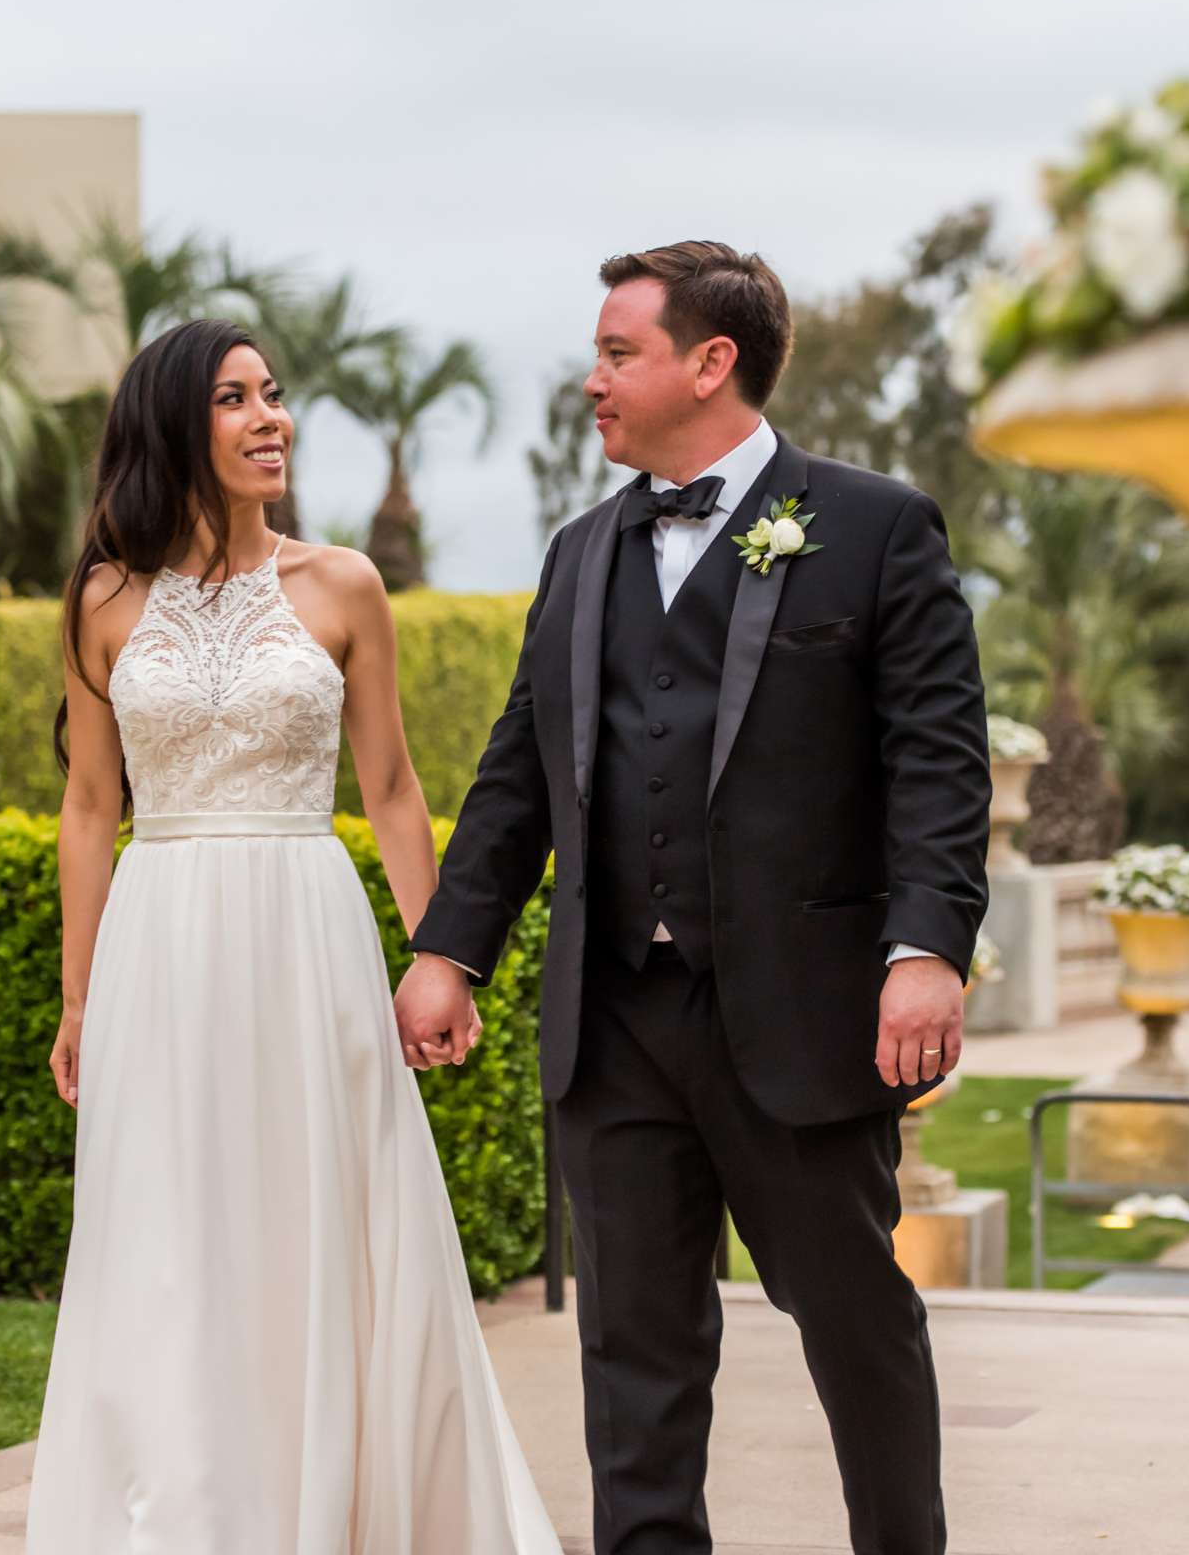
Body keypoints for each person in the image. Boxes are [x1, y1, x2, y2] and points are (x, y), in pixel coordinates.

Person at [395, 241, 992, 1555]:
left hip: (800, 1017)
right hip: (613, 1030)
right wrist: (452, 950)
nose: (593, 384)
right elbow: (519, 778)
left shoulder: (875, 527)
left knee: (856, 1331)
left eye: (619, 355)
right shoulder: (579, 552)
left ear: (710, 363)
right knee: (635, 1362)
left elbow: (937, 767)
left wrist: (925, 950)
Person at [23, 318, 560, 1554]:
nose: (271, 418)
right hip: (160, 942)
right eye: (234, 398)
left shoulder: (344, 584)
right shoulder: (103, 600)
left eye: (274, 394)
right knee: (170, 1227)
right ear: (175, 426)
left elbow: (392, 788)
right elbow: (91, 806)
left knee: (326, 1211)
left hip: (304, 931)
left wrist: (442, 959)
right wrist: (77, 999)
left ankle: (347, 1505)